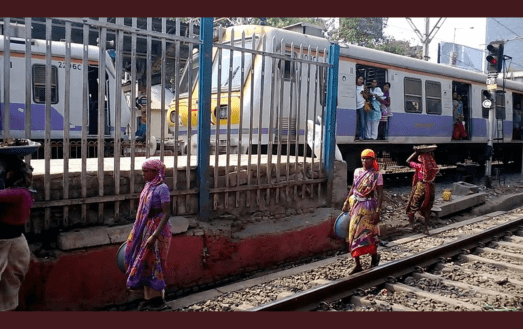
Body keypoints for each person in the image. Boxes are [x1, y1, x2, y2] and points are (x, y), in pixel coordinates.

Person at [124, 159, 172, 311]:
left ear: (155, 172)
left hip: (158, 230)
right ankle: (148, 298)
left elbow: (167, 213)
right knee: (144, 262)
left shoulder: (162, 188)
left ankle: (158, 300)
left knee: (154, 262)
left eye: (146, 171)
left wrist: (154, 236)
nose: (143, 174)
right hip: (146, 228)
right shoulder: (148, 187)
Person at [0, 161, 35, 311]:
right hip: (13, 243)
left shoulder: (18, 194)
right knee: (7, 290)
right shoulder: (23, 193)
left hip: (8, 246)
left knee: (7, 291)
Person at [341, 149, 383, 274]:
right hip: (356, 206)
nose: (364, 161)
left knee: (368, 234)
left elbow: (380, 195)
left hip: (368, 207)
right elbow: (353, 187)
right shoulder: (357, 171)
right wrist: (346, 201)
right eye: (363, 158)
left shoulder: (377, 175)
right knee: (353, 234)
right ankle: (357, 264)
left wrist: (377, 211)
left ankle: (374, 256)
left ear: (373, 160)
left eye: (367, 158)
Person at [405, 149, 439, 235]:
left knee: (413, 205)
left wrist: (415, 153)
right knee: (428, 208)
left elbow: (407, 161)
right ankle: (426, 229)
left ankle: (411, 225)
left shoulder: (419, 166)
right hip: (430, 188)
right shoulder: (434, 167)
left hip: (421, 186)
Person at [355, 76, 367, 141]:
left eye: (361, 79)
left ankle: (361, 136)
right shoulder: (354, 86)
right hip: (355, 106)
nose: (360, 80)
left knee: (362, 121)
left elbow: (367, 97)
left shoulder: (364, 87)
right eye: (359, 78)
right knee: (357, 121)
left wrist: (363, 94)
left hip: (362, 105)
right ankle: (357, 135)